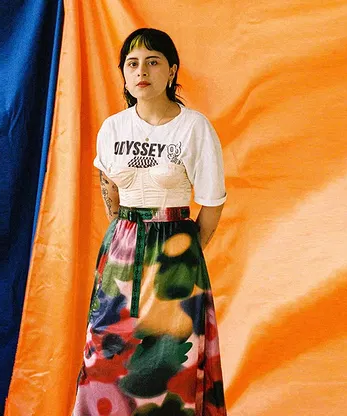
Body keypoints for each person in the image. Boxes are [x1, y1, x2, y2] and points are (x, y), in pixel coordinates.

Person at [73, 28, 227, 416]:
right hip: (122, 251)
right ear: (124, 75)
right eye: (133, 63)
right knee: (103, 360)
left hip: (175, 255)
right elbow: (109, 186)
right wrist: (123, 234)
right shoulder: (113, 128)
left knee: (169, 365)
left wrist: (184, 255)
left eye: (153, 61)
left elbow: (210, 206)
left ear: (171, 71)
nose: (142, 70)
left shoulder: (194, 128)